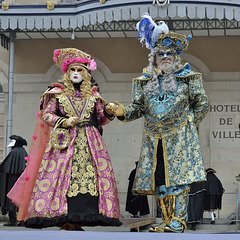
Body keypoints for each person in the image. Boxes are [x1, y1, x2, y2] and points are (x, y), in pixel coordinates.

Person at [105, 15, 209, 233]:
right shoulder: (144, 83)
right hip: (155, 141)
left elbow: (202, 104)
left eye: (169, 54)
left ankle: (178, 221)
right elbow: (138, 108)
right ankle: (166, 219)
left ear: (176, 56)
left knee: (178, 181)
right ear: (154, 58)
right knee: (160, 180)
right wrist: (120, 110)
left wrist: (189, 125)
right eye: (160, 54)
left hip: (179, 139)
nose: (165, 57)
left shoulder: (188, 78)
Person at [7, 48, 122, 230]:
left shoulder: (93, 96)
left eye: (80, 70)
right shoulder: (57, 94)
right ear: (67, 73)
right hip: (64, 142)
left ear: (86, 74)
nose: (76, 73)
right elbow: (47, 115)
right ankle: (62, 215)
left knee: (91, 177)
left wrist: (110, 110)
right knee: (61, 176)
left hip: (90, 143)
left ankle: (83, 216)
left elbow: (101, 118)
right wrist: (64, 121)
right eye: (73, 70)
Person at [0, 135, 28, 226]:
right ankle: (20, 219)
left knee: (11, 197)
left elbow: (5, 166)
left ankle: (13, 220)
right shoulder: (23, 152)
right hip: (21, 180)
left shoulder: (14, 152)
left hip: (12, 179)